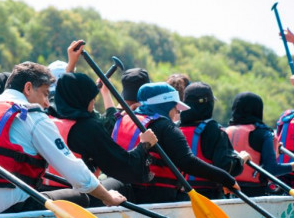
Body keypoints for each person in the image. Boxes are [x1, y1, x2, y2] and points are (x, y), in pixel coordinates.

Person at [0, 61, 126, 215]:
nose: (47, 103)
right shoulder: (33, 116)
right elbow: (73, 170)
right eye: (44, 93)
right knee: (81, 197)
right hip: (9, 208)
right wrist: (108, 196)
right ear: (27, 88)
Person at [110, 82, 238, 204]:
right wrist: (227, 179)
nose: (178, 112)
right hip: (156, 195)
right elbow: (188, 163)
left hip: (125, 193)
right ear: (165, 105)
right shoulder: (165, 127)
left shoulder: (122, 120)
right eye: (175, 107)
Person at [43, 72, 158, 193]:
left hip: (44, 191)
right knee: (123, 184)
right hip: (77, 197)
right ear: (82, 99)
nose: (93, 103)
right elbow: (122, 167)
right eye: (91, 99)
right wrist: (144, 145)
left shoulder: (47, 118)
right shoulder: (87, 128)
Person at [179, 82, 246, 199]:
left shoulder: (175, 127)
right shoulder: (214, 130)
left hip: (179, 193)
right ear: (209, 105)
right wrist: (241, 160)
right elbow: (225, 165)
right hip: (207, 195)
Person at [226, 92, 294, 196]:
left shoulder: (223, 132)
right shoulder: (263, 134)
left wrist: (274, 149)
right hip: (254, 192)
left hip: (227, 189)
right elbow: (271, 170)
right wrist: (292, 166)